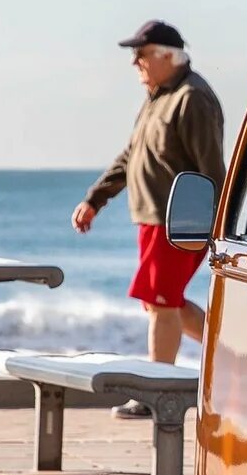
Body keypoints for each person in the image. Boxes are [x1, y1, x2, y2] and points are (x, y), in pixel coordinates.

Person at [73, 20, 225, 398]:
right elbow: (131, 156)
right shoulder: (159, 97)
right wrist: (96, 199)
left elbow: (212, 168)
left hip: (178, 221)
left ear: (166, 56)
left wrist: (219, 223)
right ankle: (233, 355)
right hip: (153, 218)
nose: (135, 63)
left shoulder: (192, 98)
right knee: (158, 303)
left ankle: (157, 395)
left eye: (140, 55)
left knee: (161, 305)